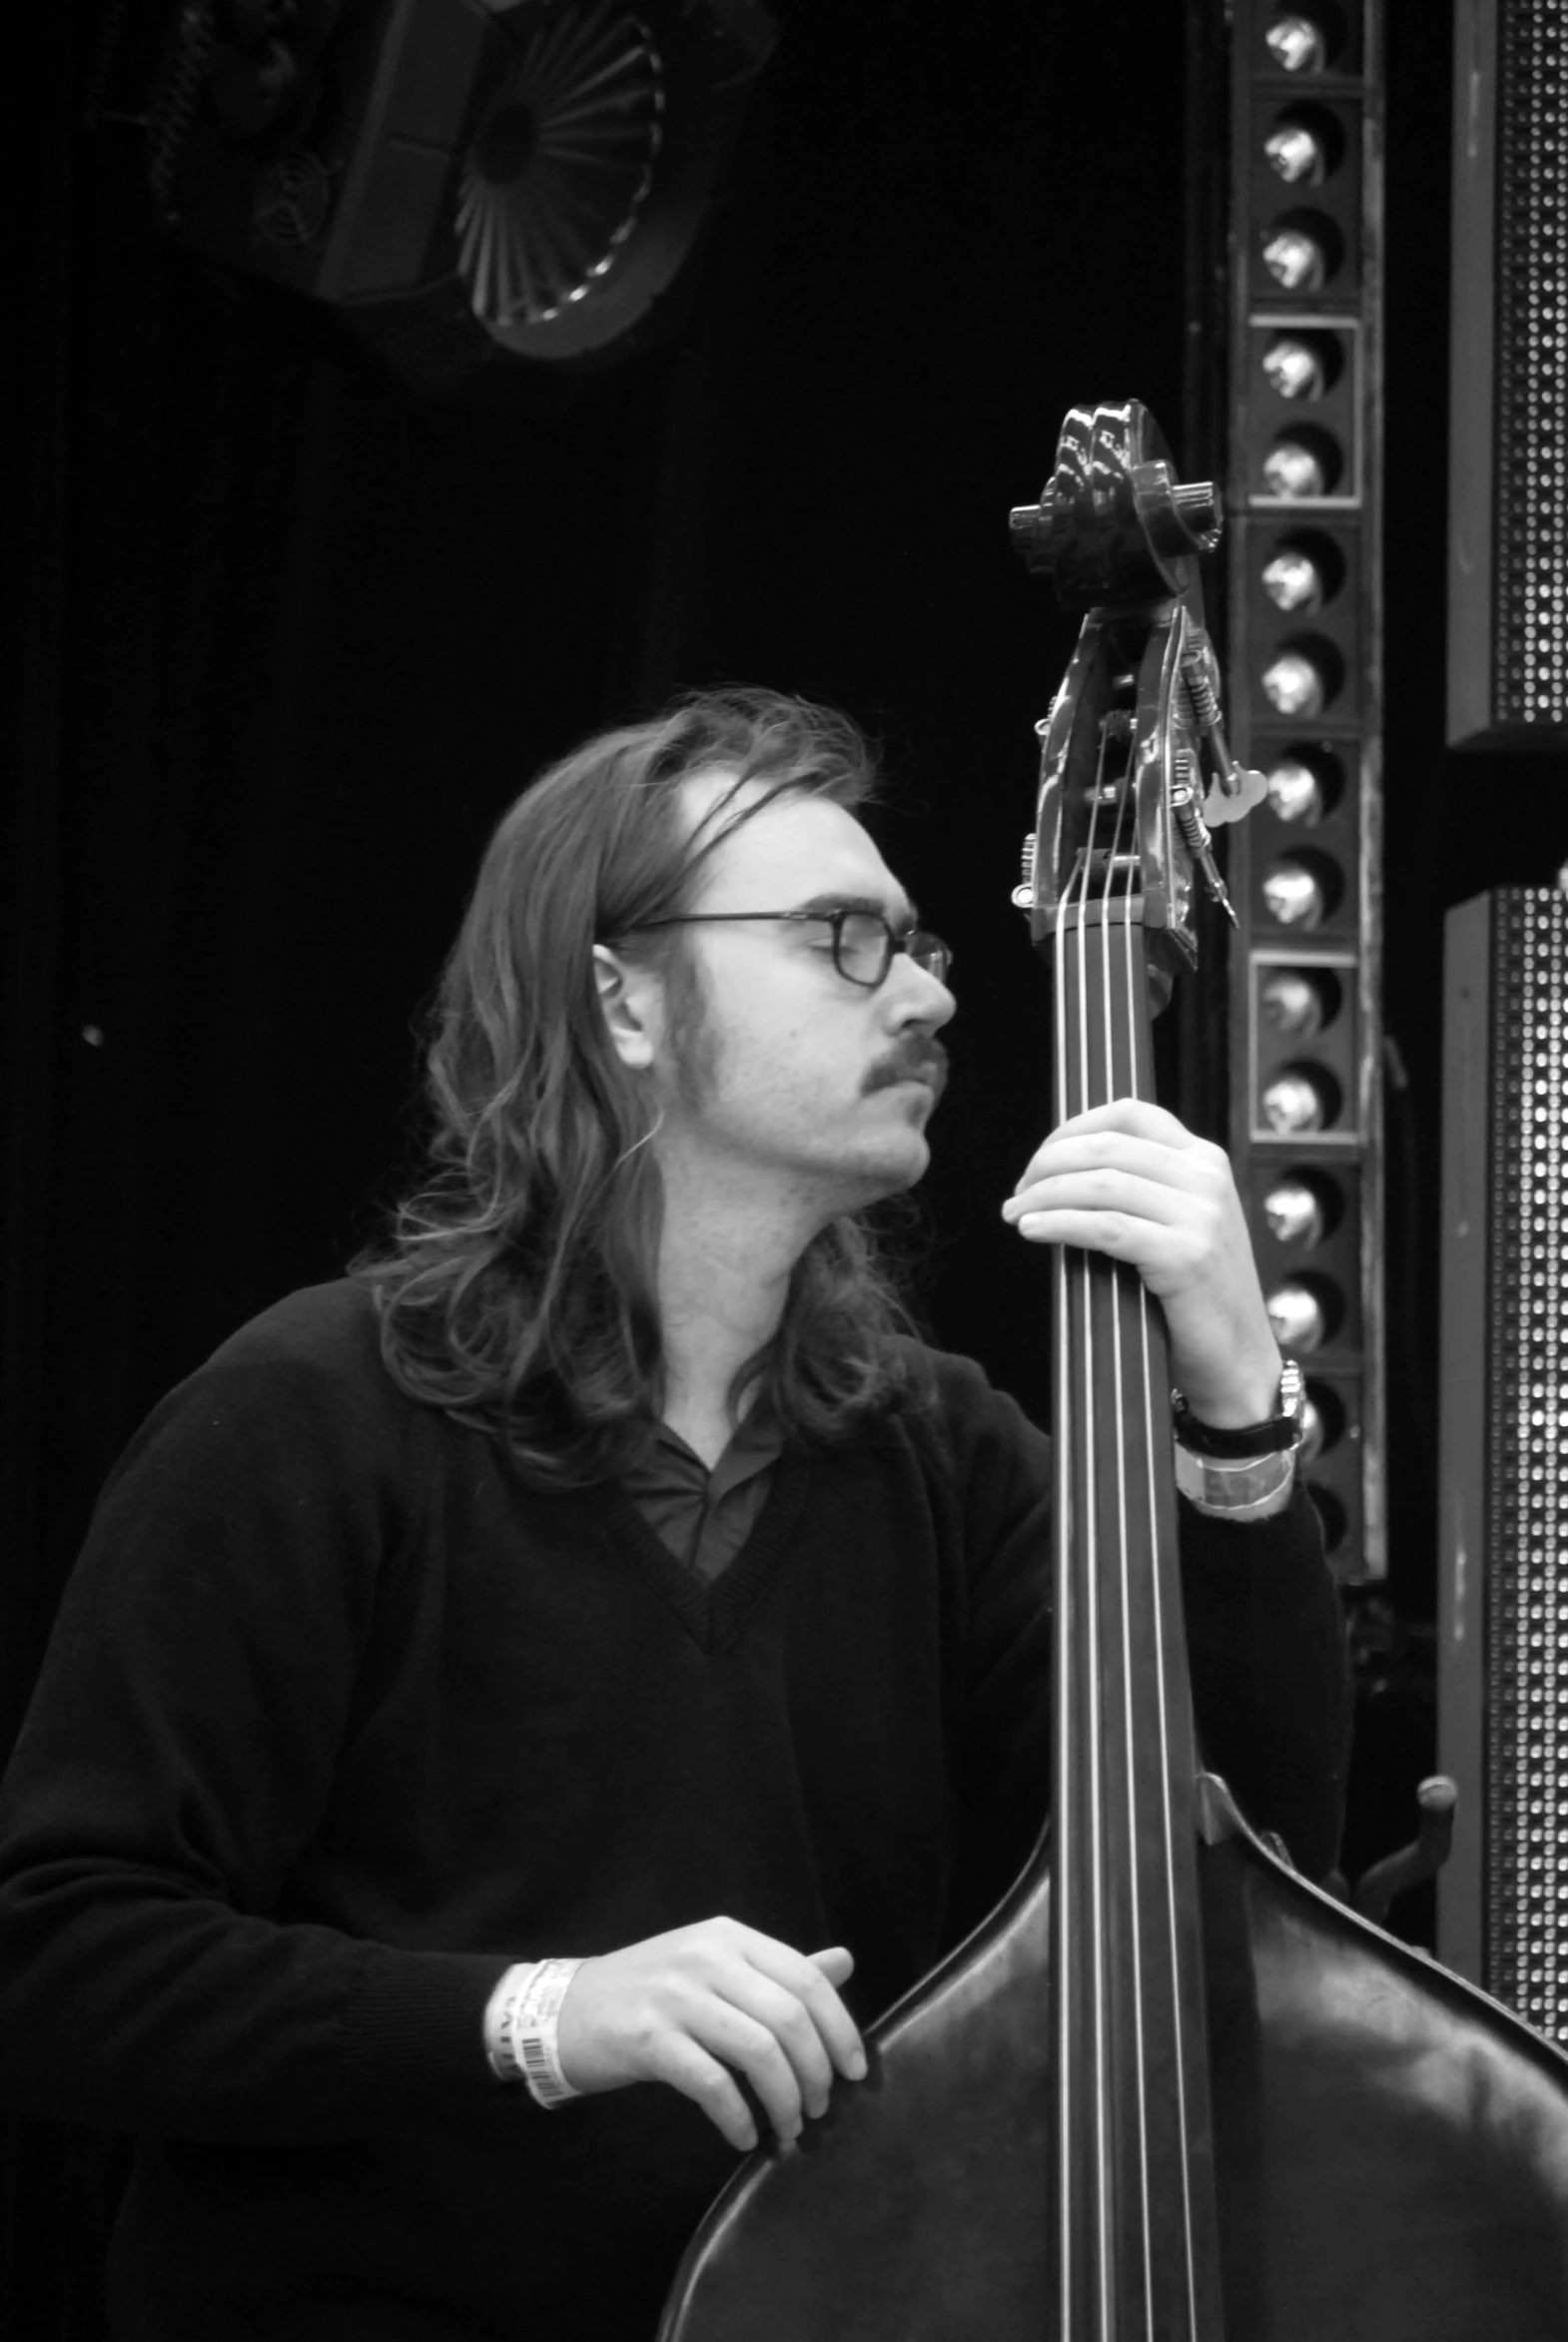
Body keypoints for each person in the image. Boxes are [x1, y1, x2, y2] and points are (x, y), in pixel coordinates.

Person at [0, 689, 1347, 2342]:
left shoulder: (943, 1449)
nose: (925, 990)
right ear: (623, 1001)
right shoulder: (309, 1413)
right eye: (843, 936)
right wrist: (538, 2017)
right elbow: (58, 1966)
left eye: (918, 942)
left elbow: (1227, 1879)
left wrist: (1229, 1397)